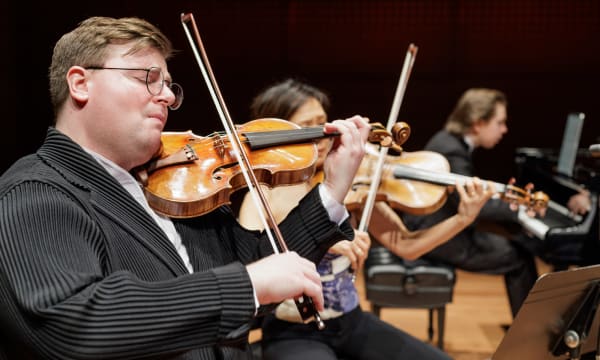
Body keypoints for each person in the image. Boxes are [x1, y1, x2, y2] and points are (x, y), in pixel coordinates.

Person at [0, 17, 372, 360]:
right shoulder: (36, 192)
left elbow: (258, 264)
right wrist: (246, 285)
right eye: (147, 78)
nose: (165, 97)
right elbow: (77, 322)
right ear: (81, 84)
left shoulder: (172, 187)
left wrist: (332, 192)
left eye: (167, 85)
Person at [238, 79, 494, 360]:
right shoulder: (262, 195)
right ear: (279, 133)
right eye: (306, 126)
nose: (321, 136)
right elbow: (248, 267)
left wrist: (462, 218)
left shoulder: (349, 184)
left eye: (322, 123)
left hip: (352, 322)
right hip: (293, 330)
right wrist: (323, 238)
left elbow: (406, 245)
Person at [402, 88, 540, 318]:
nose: (504, 130)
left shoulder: (451, 142)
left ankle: (530, 325)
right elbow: (475, 204)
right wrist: (520, 211)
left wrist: (509, 204)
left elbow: (472, 193)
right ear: (478, 123)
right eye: (500, 122)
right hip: (432, 234)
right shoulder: (452, 151)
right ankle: (531, 331)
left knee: (517, 247)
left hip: (437, 225)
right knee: (518, 258)